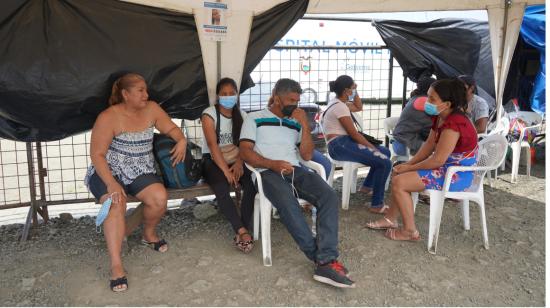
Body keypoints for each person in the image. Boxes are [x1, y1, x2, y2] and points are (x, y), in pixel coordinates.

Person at [239, 78, 355, 288]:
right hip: (267, 171)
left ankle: (325, 260)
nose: (295, 104)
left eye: (297, 100)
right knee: (288, 203)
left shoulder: (295, 121)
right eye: (291, 100)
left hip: (295, 169)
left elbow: (307, 154)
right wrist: (272, 164)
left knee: (328, 195)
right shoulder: (254, 118)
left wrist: (303, 124)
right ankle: (322, 260)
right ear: (276, 97)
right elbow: (245, 152)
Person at [84, 73, 187, 292]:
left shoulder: (152, 108)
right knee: (115, 204)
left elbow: (171, 128)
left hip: (140, 169)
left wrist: (182, 140)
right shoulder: (108, 116)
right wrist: (111, 183)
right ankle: (116, 265)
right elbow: (97, 154)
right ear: (125, 94)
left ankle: (148, 234)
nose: (146, 94)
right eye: (140, 90)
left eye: (145, 90)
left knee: (159, 198)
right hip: (108, 171)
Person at [366, 79, 478, 241]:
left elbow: (437, 160)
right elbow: (428, 145)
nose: (427, 102)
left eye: (432, 99)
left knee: (400, 181)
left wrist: (409, 168)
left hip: (457, 174)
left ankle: (410, 231)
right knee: (399, 172)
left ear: (446, 104)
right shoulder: (441, 116)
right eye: (428, 97)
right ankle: (390, 219)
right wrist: (409, 164)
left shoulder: (455, 123)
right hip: (446, 167)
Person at [322, 75, 392, 214]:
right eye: (354, 88)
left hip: (342, 143)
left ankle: (367, 186)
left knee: (386, 152)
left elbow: (358, 107)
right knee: (385, 162)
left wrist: (354, 91)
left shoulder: (338, 102)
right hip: (339, 145)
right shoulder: (340, 107)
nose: (355, 90)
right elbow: (354, 134)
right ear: (347, 90)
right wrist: (371, 148)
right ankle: (377, 204)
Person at [201, 77, 256, 253]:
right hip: (213, 160)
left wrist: (239, 163)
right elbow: (212, 145)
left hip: (237, 159)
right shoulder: (209, 114)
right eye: (224, 94)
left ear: (236, 94)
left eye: (231, 93)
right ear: (218, 96)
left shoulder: (242, 115)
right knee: (221, 187)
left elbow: (245, 145)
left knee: (251, 184)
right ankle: (241, 230)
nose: (228, 97)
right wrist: (226, 171)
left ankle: (243, 228)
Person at [392, 76, 436, 155]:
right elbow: (432, 126)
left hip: (400, 142)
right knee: (442, 148)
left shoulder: (416, 97)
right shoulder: (424, 101)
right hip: (406, 144)